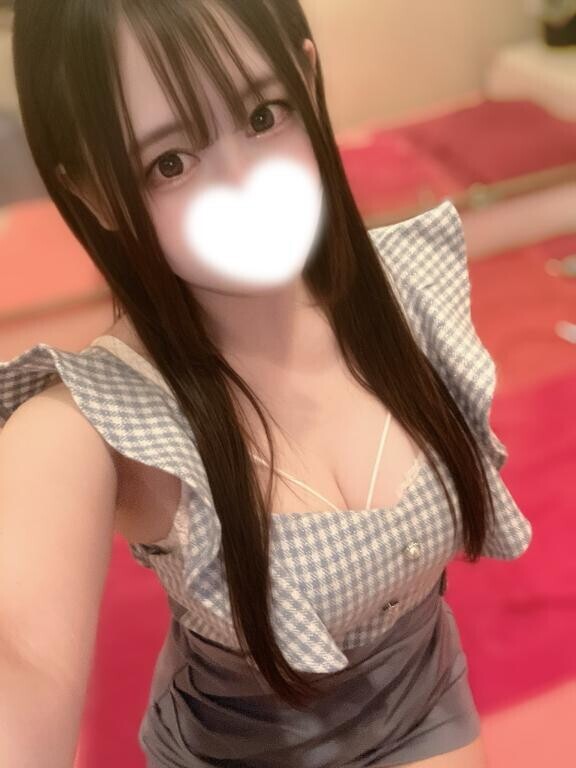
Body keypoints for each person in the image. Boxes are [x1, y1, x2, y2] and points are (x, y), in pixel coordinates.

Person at [1, 1, 531, 766]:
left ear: (305, 81)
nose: (246, 186)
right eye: (169, 162)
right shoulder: (91, 423)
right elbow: (21, 653)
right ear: (95, 193)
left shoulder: (409, 287)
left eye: (261, 115)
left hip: (429, 702)